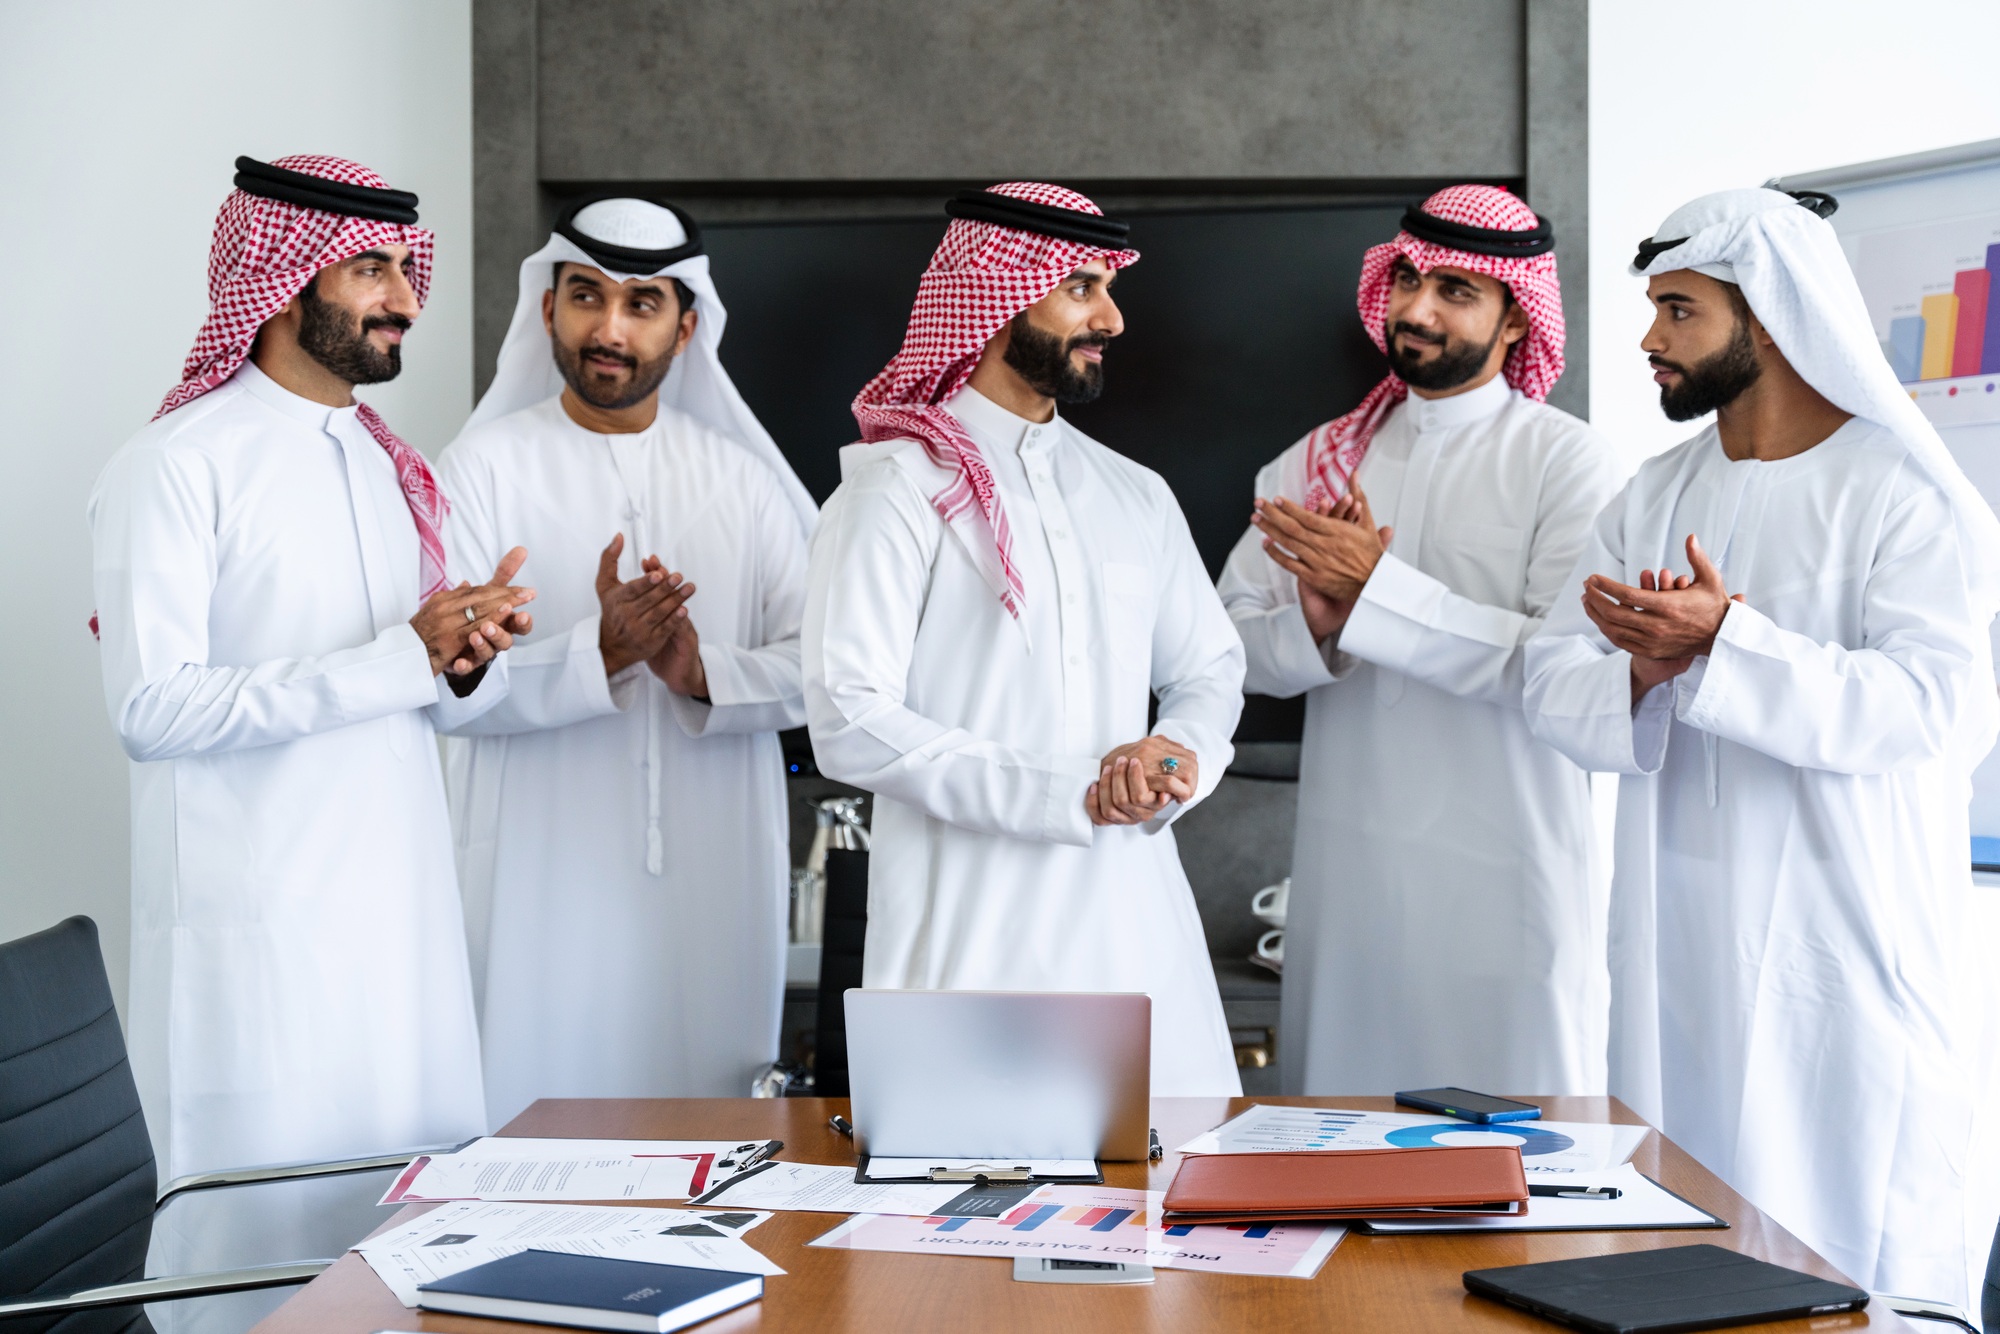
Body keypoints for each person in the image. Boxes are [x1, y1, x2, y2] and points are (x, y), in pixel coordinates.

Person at [1523, 187, 2000, 1300]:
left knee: (1845, 1257)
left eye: (1677, 310)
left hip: (1843, 959)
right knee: (1685, 1249)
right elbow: (1549, 680)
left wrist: (1726, 644)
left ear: (1770, 319)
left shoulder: (1903, 494)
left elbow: (1930, 711)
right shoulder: (1652, 493)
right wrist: (1643, 669)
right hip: (1674, 951)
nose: (1647, 338)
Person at [87, 155, 531, 1326]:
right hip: (267, 945)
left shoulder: (391, 467)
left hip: (402, 937)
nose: (405, 298)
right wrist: (398, 656)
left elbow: (411, 692)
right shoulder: (175, 465)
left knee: (403, 1248)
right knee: (249, 1276)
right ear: (283, 282)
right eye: (373, 269)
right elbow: (153, 708)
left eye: (406, 268)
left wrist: (462, 655)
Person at [801, 184, 1245, 1096]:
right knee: (963, 1220)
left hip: (1139, 928)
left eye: (1108, 288)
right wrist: (1064, 791)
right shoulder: (893, 489)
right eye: (1081, 287)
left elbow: (1211, 667)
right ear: (1000, 295)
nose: (1111, 318)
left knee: (1176, 1211)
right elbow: (848, 715)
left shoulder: (1135, 494)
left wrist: (1174, 758)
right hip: (970, 936)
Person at [1217, 185, 1618, 1097]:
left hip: (1506, 870)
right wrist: (1316, 628)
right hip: (1350, 875)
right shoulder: (1319, 460)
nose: (1417, 309)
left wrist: (1379, 593)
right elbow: (1223, 648)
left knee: (1523, 1148)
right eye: (1406, 279)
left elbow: (1567, 668)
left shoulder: (1566, 461)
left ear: (1519, 318)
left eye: (1456, 291)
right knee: (1340, 1143)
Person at [438, 197, 815, 1121]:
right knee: (529, 1131)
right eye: (586, 296)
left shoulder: (747, 482)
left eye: (641, 303)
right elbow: (442, 690)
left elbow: (829, 669)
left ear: (686, 328)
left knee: (715, 1138)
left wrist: (699, 674)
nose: (609, 328)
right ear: (546, 309)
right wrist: (595, 653)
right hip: (537, 876)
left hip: (718, 874)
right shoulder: (476, 471)